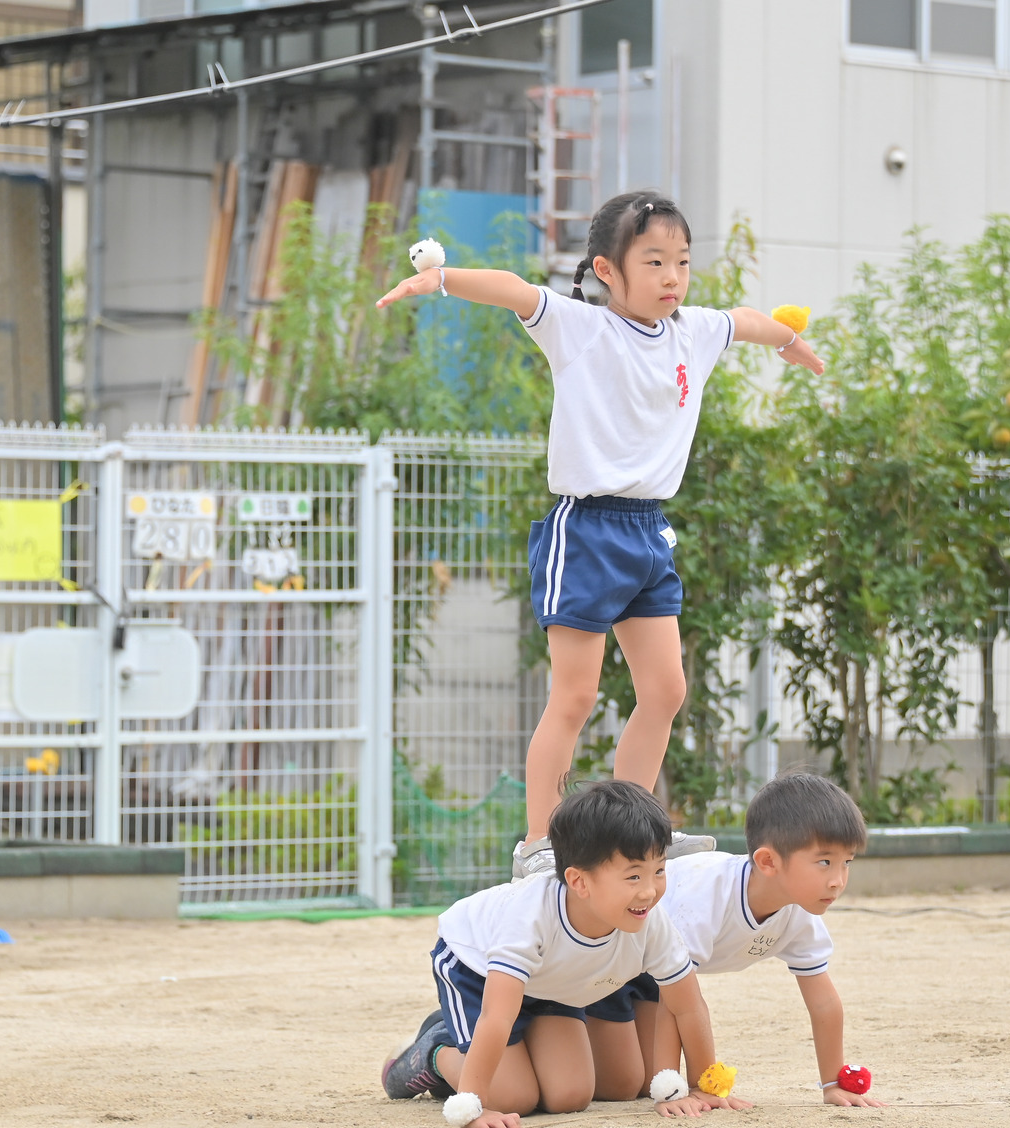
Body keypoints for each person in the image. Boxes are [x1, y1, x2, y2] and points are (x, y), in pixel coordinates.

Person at [377, 191, 825, 880]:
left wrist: (788, 341)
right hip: (584, 530)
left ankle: (639, 832)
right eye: (653, 261)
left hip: (649, 531)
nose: (673, 276)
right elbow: (515, 291)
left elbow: (745, 322)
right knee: (576, 695)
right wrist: (442, 278)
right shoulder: (580, 329)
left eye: (681, 260)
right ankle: (537, 844)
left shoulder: (692, 332)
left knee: (667, 689)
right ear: (607, 271)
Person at [380, 780, 728, 1125]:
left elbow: (688, 1004)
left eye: (659, 871)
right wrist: (474, 1107)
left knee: (570, 1095)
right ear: (579, 881)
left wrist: (703, 1086)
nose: (650, 891)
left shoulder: (650, 919)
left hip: (549, 984)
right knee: (512, 1097)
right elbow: (497, 1015)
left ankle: (506, 1050)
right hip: (477, 972)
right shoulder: (531, 916)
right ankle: (435, 1047)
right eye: (633, 877)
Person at [588, 770, 887, 1108]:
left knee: (638, 1080)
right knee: (622, 1083)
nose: (838, 880)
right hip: (609, 961)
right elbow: (678, 998)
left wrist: (834, 1083)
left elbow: (823, 1003)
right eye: (824, 862)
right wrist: (686, 1089)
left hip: (653, 978)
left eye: (846, 862)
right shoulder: (708, 895)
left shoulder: (800, 911)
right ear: (768, 861)